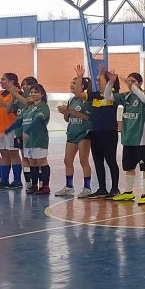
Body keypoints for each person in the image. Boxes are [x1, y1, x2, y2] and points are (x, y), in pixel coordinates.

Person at [105, 69, 145, 205]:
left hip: (142, 138)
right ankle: (128, 192)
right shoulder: (125, 96)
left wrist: (132, 85)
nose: (130, 84)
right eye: (128, 81)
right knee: (128, 166)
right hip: (128, 138)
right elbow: (107, 96)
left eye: (133, 81)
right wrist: (111, 82)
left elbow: (144, 98)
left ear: (140, 83)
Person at [6, 83, 51, 195]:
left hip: (39, 139)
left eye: (36, 92)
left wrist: (28, 131)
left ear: (42, 94)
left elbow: (38, 121)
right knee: (32, 162)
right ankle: (34, 185)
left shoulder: (43, 106)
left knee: (41, 161)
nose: (33, 94)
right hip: (28, 141)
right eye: (31, 92)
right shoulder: (28, 108)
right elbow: (19, 120)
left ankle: (45, 186)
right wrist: (8, 130)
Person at [55, 66, 93, 198]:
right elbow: (68, 119)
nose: (72, 85)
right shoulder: (71, 100)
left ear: (82, 86)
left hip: (84, 134)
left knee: (83, 160)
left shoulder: (87, 100)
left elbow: (88, 117)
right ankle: (69, 186)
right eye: (71, 83)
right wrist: (65, 113)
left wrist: (70, 111)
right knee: (67, 160)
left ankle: (87, 187)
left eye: (75, 83)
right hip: (72, 133)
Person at [86, 70, 120, 199]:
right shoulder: (94, 95)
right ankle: (102, 188)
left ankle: (115, 189)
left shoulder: (113, 96)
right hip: (96, 133)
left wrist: (102, 76)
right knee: (98, 161)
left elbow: (107, 90)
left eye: (100, 81)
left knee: (111, 160)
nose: (98, 83)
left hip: (109, 132)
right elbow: (79, 94)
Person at [0, 72, 23, 190]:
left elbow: (7, 106)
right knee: (3, 153)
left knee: (13, 154)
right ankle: (4, 179)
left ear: (12, 81)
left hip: (11, 128)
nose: (1, 81)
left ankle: (17, 180)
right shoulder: (1, 93)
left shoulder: (17, 93)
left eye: (3, 79)